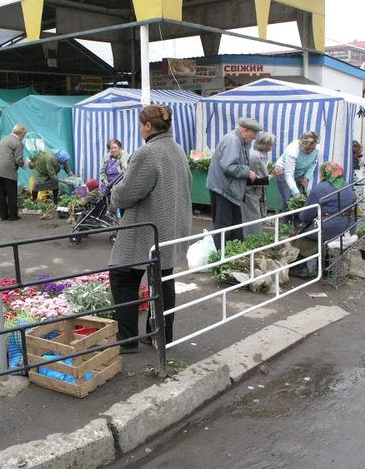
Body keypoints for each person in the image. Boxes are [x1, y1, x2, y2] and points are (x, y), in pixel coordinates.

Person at [108, 105, 192, 353]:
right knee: (163, 279)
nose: (139, 128)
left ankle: (127, 339)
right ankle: (161, 335)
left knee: (122, 276)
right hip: (171, 227)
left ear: (147, 126)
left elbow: (127, 194)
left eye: (140, 123)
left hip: (145, 229)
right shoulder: (177, 149)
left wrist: (114, 192)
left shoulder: (148, 152)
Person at [289, 162, 356, 277]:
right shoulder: (346, 185)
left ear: (324, 174)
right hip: (349, 227)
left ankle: (305, 267)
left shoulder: (320, 188)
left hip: (329, 229)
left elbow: (306, 216)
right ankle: (326, 262)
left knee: (301, 229)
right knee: (323, 225)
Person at [206, 117, 261, 247]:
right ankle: (219, 260)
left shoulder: (238, 140)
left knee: (235, 227)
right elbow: (228, 166)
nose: (252, 140)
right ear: (245, 130)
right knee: (224, 227)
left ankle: (232, 257)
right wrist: (248, 172)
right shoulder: (233, 140)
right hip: (224, 190)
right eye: (252, 137)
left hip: (229, 190)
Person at [241, 132, 281, 237]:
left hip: (255, 191)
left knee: (253, 216)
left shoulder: (259, 154)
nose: (271, 147)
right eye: (270, 144)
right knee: (253, 217)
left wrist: (270, 174)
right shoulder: (256, 157)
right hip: (251, 191)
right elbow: (258, 180)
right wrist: (272, 174)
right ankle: (253, 239)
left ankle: (252, 238)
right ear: (264, 145)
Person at [273, 131, 321, 215]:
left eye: (312, 149)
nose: (310, 151)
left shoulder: (317, 148)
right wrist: (296, 193)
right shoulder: (292, 150)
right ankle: (287, 225)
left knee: (300, 201)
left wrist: (306, 177)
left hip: (299, 173)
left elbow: (313, 163)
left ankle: (298, 224)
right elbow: (289, 176)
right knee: (289, 201)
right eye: (307, 149)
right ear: (301, 144)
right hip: (283, 173)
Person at [0, 124, 27, 221]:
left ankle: (3, 215)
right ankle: (13, 215)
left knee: (0, 193)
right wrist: (27, 165)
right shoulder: (18, 143)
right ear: (20, 133)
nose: (24, 136)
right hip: (8, 170)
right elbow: (19, 160)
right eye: (24, 133)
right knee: (11, 193)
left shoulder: (4, 139)